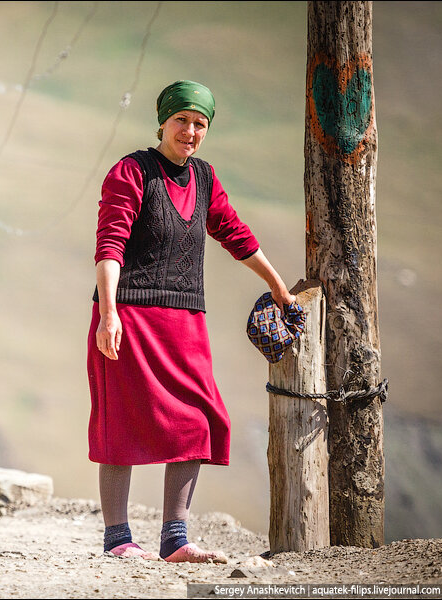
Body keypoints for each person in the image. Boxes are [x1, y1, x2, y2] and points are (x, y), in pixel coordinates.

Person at [86, 80, 296, 563]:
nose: (190, 131)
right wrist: (109, 313)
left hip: (184, 320)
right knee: (121, 419)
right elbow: (110, 246)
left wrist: (280, 288)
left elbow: (234, 233)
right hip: (129, 316)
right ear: (162, 120)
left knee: (197, 419)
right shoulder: (131, 172)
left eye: (200, 123)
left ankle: (175, 540)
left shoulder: (204, 178)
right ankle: (118, 541)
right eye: (181, 119)